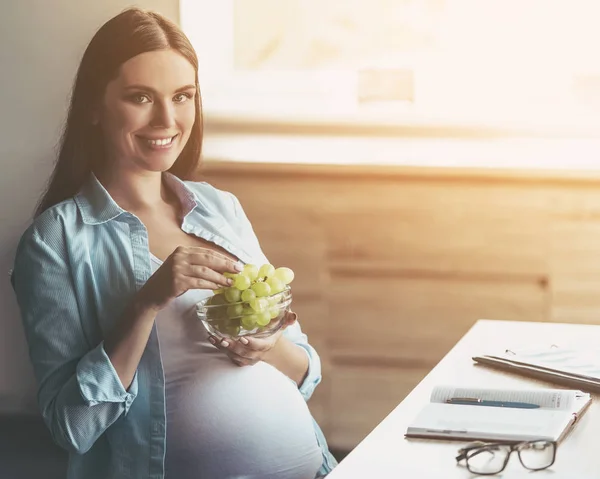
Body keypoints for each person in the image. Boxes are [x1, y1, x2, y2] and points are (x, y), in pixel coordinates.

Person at [10, 7, 337, 479]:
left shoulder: (219, 208)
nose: (167, 118)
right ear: (94, 107)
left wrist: (264, 344)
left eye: (183, 96)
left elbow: (306, 373)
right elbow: (72, 425)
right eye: (141, 97)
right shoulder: (54, 241)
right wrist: (146, 303)